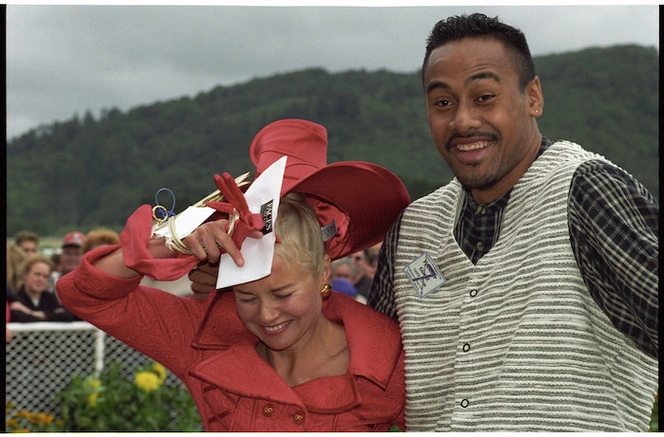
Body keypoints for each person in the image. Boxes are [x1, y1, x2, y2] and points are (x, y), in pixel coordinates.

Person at [362, 13, 657, 432]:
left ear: (533, 97)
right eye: (443, 102)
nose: (462, 120)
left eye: (484, 97)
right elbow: (366, 377)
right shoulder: (413, 228)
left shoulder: (586, 191)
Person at [57, 119, 410, 431]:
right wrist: (173, 240)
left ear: (323, 272)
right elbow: (84, 294)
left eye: (283, 294)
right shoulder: (200, 339)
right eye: (246, 297)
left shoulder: (387, 357)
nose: (267, 315)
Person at [8, 254, 78, 322]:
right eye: (37, 274)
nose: (41, 279)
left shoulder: (49, 297)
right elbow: (19, 317)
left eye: (45, 276)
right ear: (26, 274)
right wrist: (51, 316)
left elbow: (67, 316)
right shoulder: (16, 297)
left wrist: (31, 312)